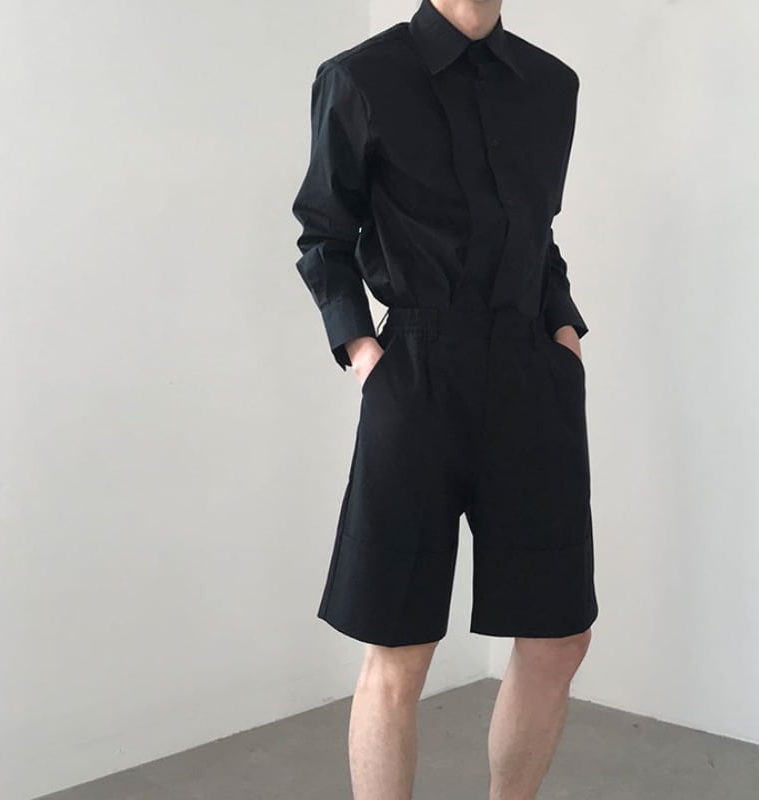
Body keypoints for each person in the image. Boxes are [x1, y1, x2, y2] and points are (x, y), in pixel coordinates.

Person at [291, 1, 599, 797]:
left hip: (531, 381)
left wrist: (563, 329)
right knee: (397, 650)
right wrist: (366, 355)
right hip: (417, 378)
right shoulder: (360, 79)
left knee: (558, 637)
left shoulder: (551, 86)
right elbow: (324, 235)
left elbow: (535, 235)